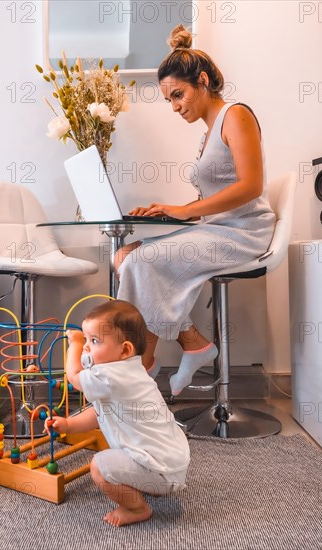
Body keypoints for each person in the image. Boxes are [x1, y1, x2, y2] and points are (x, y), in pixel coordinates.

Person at [115, 25, 276, 396]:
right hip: (218, 228)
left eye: (178, 95)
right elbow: (217, 196)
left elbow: (250, 186)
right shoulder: (209, 131)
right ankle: (191, 342)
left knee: (140, 264)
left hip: (243, 233)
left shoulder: (236, 116)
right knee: (125, 256)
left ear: (202, 81)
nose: (174, 107)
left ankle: (141, 370)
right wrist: (169, 210)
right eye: (169, 99)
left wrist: (186, 212)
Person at [45, 299, 190, 527]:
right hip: (170, 464)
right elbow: (99, 412)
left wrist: (73, 343)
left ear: (124, 350)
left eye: (93, 341)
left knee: (99, 467)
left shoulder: (109, 376)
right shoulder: (130, 371)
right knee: (115, 459)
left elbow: (73, 376)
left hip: (159, 468)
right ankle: (147, 484)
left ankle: (136, 508)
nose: (86, 347)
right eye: (85, 341)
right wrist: (69, 425)